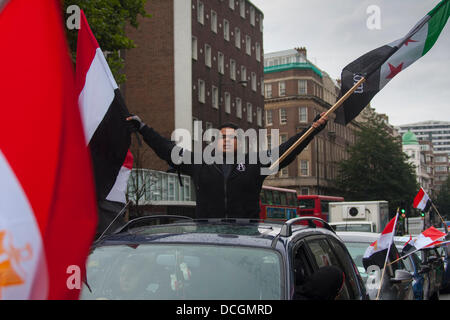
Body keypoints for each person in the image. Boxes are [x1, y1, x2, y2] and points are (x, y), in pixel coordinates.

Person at [126, 113, 327, 219]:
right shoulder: (200, 163)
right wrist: (142, 127)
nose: (227, 140)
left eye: (232, 137)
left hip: (246, 236)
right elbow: (167, 149)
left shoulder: (254, 163)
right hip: (208, 237)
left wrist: (312, 130)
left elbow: (286, 150)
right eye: (222, 137)